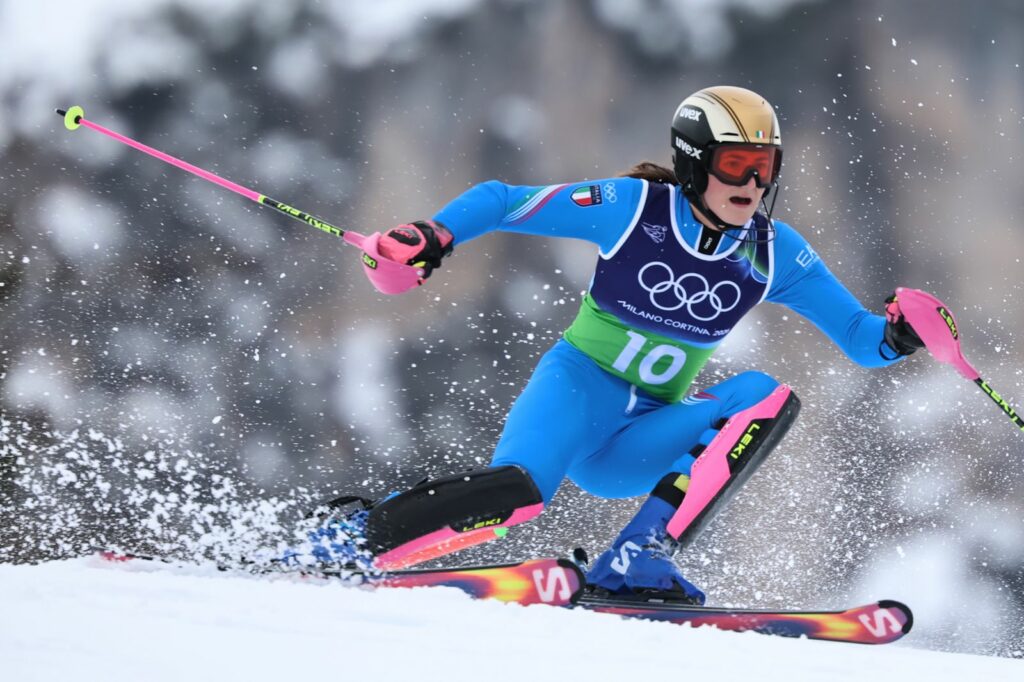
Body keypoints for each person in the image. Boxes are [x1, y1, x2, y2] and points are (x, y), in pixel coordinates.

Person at [304, 85, 925, 603]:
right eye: (736, 164)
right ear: (694, 162)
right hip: (575, 394)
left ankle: (638, 556)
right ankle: (351, 537)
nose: (753, 183)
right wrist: (434, 234)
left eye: (765, 166)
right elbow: (503, 202)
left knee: (766, 398)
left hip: (640, 437)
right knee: (515, 499)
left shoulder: (773, 251)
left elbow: (860, 340)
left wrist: (901, 334)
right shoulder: (634, 209)